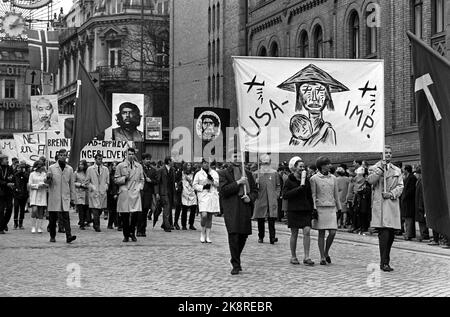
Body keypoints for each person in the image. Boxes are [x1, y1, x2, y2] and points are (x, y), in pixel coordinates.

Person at [277, 64, 349, 147]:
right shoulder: (297, 131)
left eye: (319, 91)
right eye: (307, 90)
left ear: (327, 95)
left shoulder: (328, 132)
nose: (314, 98)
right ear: (299, 96)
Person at [219, 153, 258, 275]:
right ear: (230, 158)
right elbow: (224, 191)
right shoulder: (224, 173)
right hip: (231, 208)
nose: (237, 158)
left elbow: (255, 191)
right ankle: (235, 264)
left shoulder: (248, 173)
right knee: (234, 235)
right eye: (234, 156)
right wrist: (238, 183)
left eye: (239, 156)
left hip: (244, 207)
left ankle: (235, 257)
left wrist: (250, 198)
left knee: (243, 235)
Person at [367, 146, 404, 272]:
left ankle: (385, 260)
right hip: (381, 205)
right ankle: (384, 262)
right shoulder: (373, 168)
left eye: (390, 153)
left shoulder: (397, 170)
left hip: (391, 203)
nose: (388, 155)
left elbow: (400, 186)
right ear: (381, 155)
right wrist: (380, 170)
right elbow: (371, 181)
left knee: (391, 234)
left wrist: (392, 194)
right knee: (384, 233)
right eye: (385, 153)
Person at [283, 156, 315, 266]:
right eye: (300, 166)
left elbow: (309, 195)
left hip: (305, 209)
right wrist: (298, 189)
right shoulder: (289, 180)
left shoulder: (306, 180)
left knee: (307, 231)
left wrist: (312, 208)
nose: (302, 168)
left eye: (303, 166)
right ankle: (293, 256)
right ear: (295, 167)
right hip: (294, 210)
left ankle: (307, 256)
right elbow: (285, 195)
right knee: (294, 233)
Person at [310, 156, 342, 265]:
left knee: (333, 232)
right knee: (321, 233)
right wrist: (314, 208)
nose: (330, 165)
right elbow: (313, 194)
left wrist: (340, 208)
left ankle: (326, 251)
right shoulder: (314, 178)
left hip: (331, 207)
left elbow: (336, 195)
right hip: (320, 208)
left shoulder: (333, 178)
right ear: (322, 166)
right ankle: (322, 256)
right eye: (328, 164)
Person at [46, 149, 77, 243]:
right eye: (61, 155)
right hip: (54, 196)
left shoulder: (69, 169)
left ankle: (69, 236)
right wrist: (48, 178)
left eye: (65, 155)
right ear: (58, 156)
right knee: (52, 219)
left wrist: (72, 198)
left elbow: (71, 184)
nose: (63, 157)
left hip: (65, 196)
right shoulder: (51, 167)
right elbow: (47, 183)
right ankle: (52, 236)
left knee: (66, 218)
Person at [115, 148, 144, 242]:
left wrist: (139, 187)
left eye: (132, 154)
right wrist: (124, 178)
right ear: (126, 154)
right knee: (125, 215)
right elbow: (116, 180)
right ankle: (126, 234)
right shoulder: (120, 166)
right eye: (129, 154)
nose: (131, 156)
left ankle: (132, 232)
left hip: (135, 192)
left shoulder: (139, 166)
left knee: (135, 214)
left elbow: (141, 179)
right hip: (125, 192)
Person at [252, 154, 281, 244]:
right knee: (260, 219)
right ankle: (261, 236)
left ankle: (272, 237)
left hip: (271, 199)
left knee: (271, 219)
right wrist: (255, 183)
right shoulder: (256, 173)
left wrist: (276, 195)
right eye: (264, 163)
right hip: (261, 198)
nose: (265, 165)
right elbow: (252, 188)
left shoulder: (274, 173)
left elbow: (278, 186)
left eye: (267, 163)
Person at [193, 158, 220, 243]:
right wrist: (202, 187)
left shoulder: (214, 173)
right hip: (203, 195)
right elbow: (194, 185)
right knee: (204, 215)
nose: (206, 164)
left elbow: (217, 184)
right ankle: (202, 232)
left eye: (207, 163)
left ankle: (208, 236)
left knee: (209, 216)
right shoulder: (198, 174)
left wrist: (212, 180)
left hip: (212, 195)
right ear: (202, 164)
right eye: (204, 163)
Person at [86, 153, 110, 232]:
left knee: (100, 209)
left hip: (102, 191)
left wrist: (106, 186)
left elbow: (107, 180)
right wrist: (92, 187)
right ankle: (97, 226)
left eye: (101, 159)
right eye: (98, 159)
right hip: (94, 191)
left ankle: (94, 220)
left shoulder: (105, 169)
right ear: (95, 160)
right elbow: (87, 181)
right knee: (95, 209)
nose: (100, 160)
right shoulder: (90, 169)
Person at [138, 153, 158, 237]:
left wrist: (151, 181)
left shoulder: (153, 170)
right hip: (139, 192)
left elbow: (156, 181)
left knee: (145, 211)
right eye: (146, 159)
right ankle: (138, 229)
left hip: (148, 193)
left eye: (149, 159)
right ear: (142, 160)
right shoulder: (139, 168)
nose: (148, 160)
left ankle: (143, 229)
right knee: (139, 212)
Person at [156, 156, 175, 232]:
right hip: (163, 192)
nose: (174, 162)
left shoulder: (172, 170)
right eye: (172, 161)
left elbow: (173, 182)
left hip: (171, 192)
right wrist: (157, 193)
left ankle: (165, 223)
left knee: (169, 209)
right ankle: (167, 226)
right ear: (169, 161)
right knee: (166, 209)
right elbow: (158, 182)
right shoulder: (161, 170)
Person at [28, 161, 48, 233]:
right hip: (34, 194)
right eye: (40, 166)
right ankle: (33, 226)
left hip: (42, 194)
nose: (41, 167)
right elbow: (30, 184)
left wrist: (45, 185)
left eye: (42, 166)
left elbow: (47, 183)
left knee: (41, 212)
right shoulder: (32, 174)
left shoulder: (44, 174)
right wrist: (37, 185)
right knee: (34, 210)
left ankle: (40, 227)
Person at [414, 167, 430, 242]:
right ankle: (423, 234)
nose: (415, 175)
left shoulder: (421, 182)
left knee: (422, 221)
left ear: (419, 174)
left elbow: (422, 195)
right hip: (418, 204)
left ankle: (424, 235)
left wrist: (421, 205)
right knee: (421, 220)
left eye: (416, 173)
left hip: (421, 204)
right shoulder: (419, 181)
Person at [0, 153, 15, 234]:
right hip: (1, 192)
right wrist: (6, 183)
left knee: (9, 209)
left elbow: (12, 177)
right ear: (1, 160)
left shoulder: (9, 168)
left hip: (9, 192)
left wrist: (12, 183)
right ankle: (1, 228)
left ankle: (4, 223)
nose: (7, 161)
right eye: (6, 159)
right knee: (1, 210)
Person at [401, 165, 416, 241]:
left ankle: (409, 234)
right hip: (406, 202)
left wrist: (405, 196)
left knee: (409, 219)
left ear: (407, 170)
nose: (403, 171)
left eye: (404, 169)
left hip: (409, 202)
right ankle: (409, 233)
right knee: (407, 218)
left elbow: (411, 190)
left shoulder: (412, 178)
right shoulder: (407, 177)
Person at [181, 162, 197, 230]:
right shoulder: (182, 173)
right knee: (184, 209)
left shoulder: (193, 174)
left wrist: (190, 181)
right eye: (187, 165)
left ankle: (191, 224)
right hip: (184, 192)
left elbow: (195, 183)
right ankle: (183, 225)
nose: (189, 166)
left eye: (190, 165)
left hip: (192, 192)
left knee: (193, 209)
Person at [73, 160, 89, 230]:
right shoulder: (76, 173)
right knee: (80, 209)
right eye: (79, 164)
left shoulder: (88, 173)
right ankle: (81, 223)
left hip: (87, 192)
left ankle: (84, 221)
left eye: (82, 164)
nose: (80, 166)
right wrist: (80, 185)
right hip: (79, 192)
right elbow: (73, 182)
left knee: (86, 209)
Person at [13, 161, 29, 230]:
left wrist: (22, 173)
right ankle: (15, 223)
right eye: (19, 167)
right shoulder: (15, 175)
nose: (20, 169)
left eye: (22, 167)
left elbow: (27, 179)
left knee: (22, 209)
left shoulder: (26, 174)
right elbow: (13, 183)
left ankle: (20, 223)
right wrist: (15, 189)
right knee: (16, 207)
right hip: (16, 194)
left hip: (24, 194)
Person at [107, 162, 120, 230]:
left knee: (117, 210)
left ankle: (116, 223)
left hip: (118, 193)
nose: (114, 166)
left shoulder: (119, 174)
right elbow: (112, 186)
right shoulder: (110, 175)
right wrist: (114, 193)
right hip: (112, 194)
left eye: (116, 165)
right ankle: (110, 224)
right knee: (112, 210)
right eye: (113, 165)